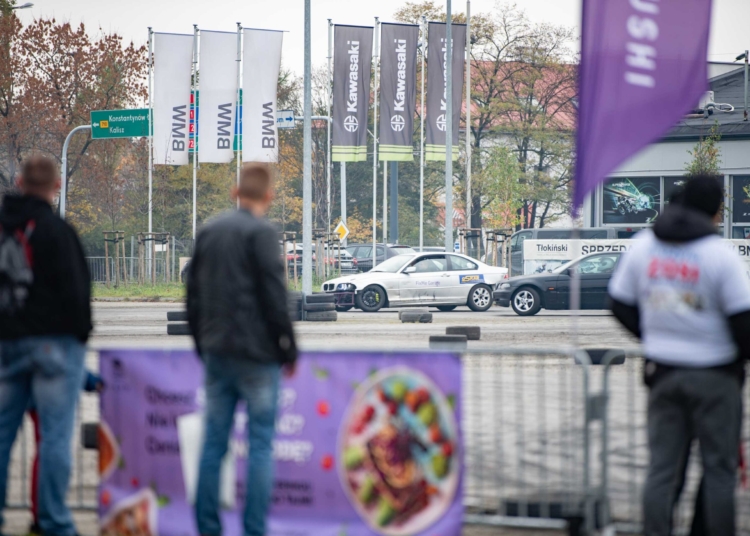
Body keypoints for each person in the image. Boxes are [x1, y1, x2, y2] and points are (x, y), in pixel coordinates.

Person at [608, 175, 750, 536]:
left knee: (662, 471)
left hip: (664, 374)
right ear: (716, 211)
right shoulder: (720, 255)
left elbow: (619, 303)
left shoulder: (643, 246)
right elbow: (743, 321)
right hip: (716, 376)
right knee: (719, 472)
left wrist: (653, 337)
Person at [187, 163, 298, 536]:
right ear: (268, 197)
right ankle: (254, 530)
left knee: (213, 445)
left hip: (218, 351)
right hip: (258, 356)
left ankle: (207, 528)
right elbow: (274, 295)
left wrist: (201, 343)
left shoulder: (209, 231)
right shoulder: (263, 233)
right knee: (261, 446)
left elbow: (193, 296)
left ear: (236, 193)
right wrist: (289, 348)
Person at [0, 155, 92, 536]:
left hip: (7, 344)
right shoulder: (57, 231)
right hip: (54, 346)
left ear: (19, 182)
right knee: (54, 436)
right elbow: (76, 293)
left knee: (3, 437)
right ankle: (53, 519)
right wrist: (79, 340)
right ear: (56, 186)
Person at [27, 371, 104, 536]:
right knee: (51, 452)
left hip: (33, 388)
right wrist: (90, 380)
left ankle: (41, 517)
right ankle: (47, 519)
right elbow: (60, 356)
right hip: (51, 391)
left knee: (43, 452)